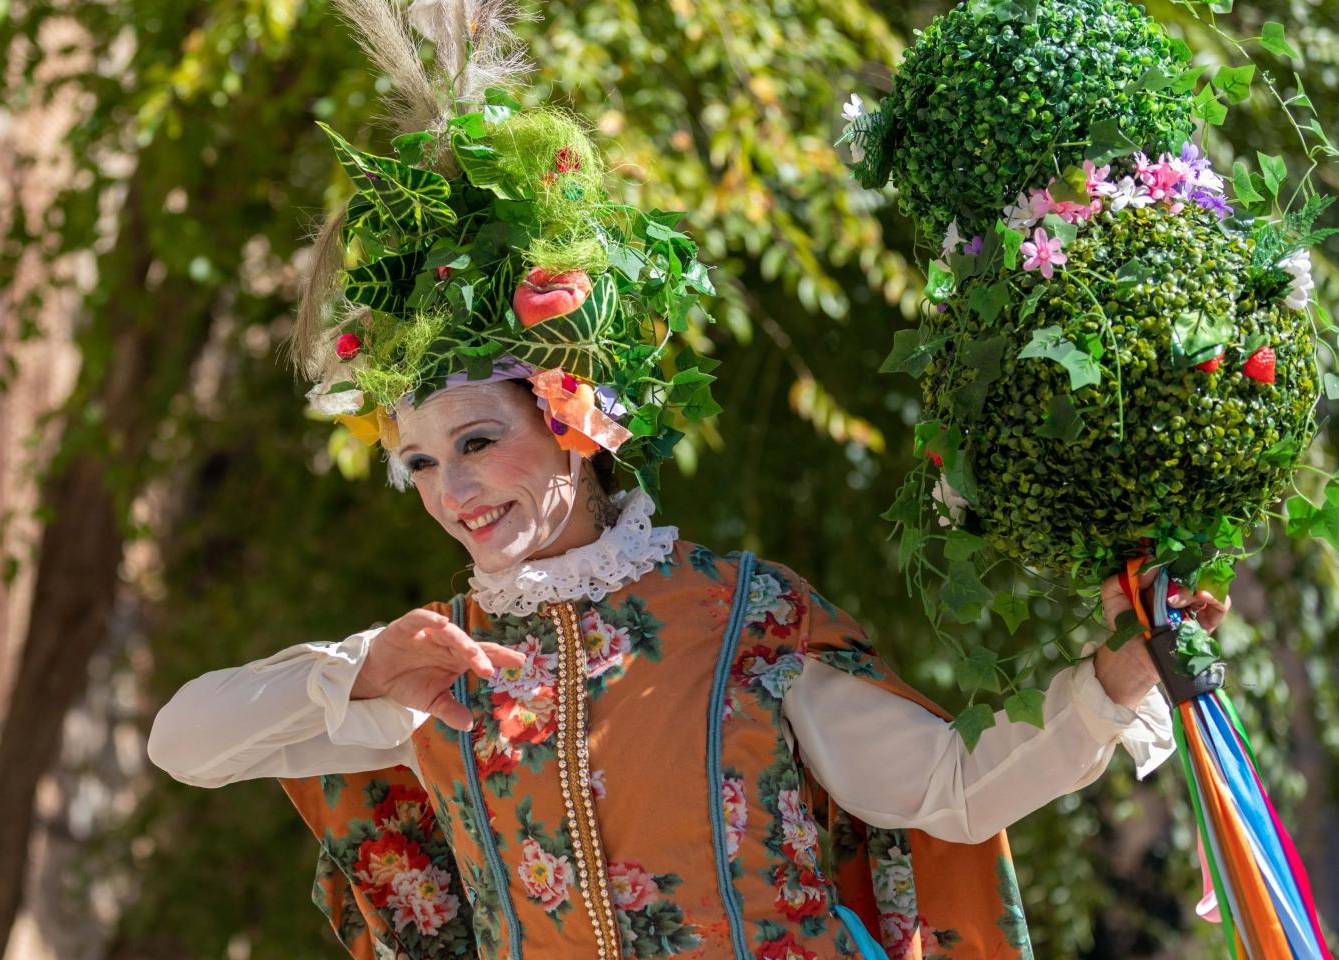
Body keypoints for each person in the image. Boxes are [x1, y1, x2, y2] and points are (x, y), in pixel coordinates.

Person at [146, 3, 1230, 956]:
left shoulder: (744, 623)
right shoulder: (431, 668)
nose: (449, 491)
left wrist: (1113, 684)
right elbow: (182, 743)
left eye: (476, 442)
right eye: (418, 462)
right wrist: (361, 673)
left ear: (570, 415)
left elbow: (949, 791)